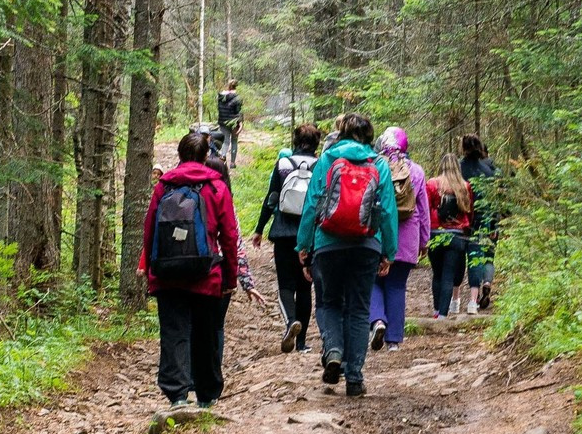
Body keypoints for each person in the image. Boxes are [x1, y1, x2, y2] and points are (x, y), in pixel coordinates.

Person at [139, 128, 253, 412]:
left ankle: (177, 395)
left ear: (179, 155)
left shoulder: (163, 187)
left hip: (168, 274)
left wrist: (150, 268)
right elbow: (228, 236)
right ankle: (207, 395)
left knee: (174, 332)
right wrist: (229, 277)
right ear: (206, 156)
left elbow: (150, 230)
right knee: (206, 334)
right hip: (206, 273)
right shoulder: (217, 187)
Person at [293, 111, 398, 397]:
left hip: (328, 242)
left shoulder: (328, 159)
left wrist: (303, 245)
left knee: (328, 303)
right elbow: (387, 211)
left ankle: (334, 350)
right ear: (369, 136)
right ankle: (354, 378)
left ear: (340, 134)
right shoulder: (379, 163)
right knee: (359, 309)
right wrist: (389, 251)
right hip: (367, 245)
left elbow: (312, 203)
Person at [254, 123, 322, 352]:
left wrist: (259, 228)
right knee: (305, 286)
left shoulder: (283, 164)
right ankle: (302, 342)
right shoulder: (321, 165)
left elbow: (272, 197)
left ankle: (290, 320)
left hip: (283, 231)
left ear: (295, 140)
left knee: (285, 283)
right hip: (311, 232)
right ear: (316, 143)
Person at [365, 126, 430, 351]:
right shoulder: (417, 171)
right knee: (397, 286)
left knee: (373, 282)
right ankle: (393, 341)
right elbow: (423, 209)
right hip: (407, 237)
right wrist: (424, 240)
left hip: (378, 234)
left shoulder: (374, 166)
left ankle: (377, 321)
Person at [427, 167, 475, 318]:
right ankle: (442, 314)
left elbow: (426, 208)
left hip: (435, 232)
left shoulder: (432, 184)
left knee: (437, 274)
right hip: (456, 234)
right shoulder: (464, 186)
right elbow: (469, 210)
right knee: (448, 275)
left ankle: (436, 310)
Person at [461, 134, 500, 313]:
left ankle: (469, 299)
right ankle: (485, 284)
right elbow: (494, 200)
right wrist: (495, 223)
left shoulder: (459, 169)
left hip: (464, 220)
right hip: (486, 218)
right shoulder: (489, 171)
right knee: (486, 256)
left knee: (472, 258)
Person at [215, 79, 244, 160]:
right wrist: (240, 122)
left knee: (225, 141)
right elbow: (238, 111)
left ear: (228, 86)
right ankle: (232, 162)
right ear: (236, 86)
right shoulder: (238, 98)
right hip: (234, 123)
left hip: (223, 121)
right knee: (234, 141)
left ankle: (223, 156)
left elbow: (219, 108)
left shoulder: (220, 96)